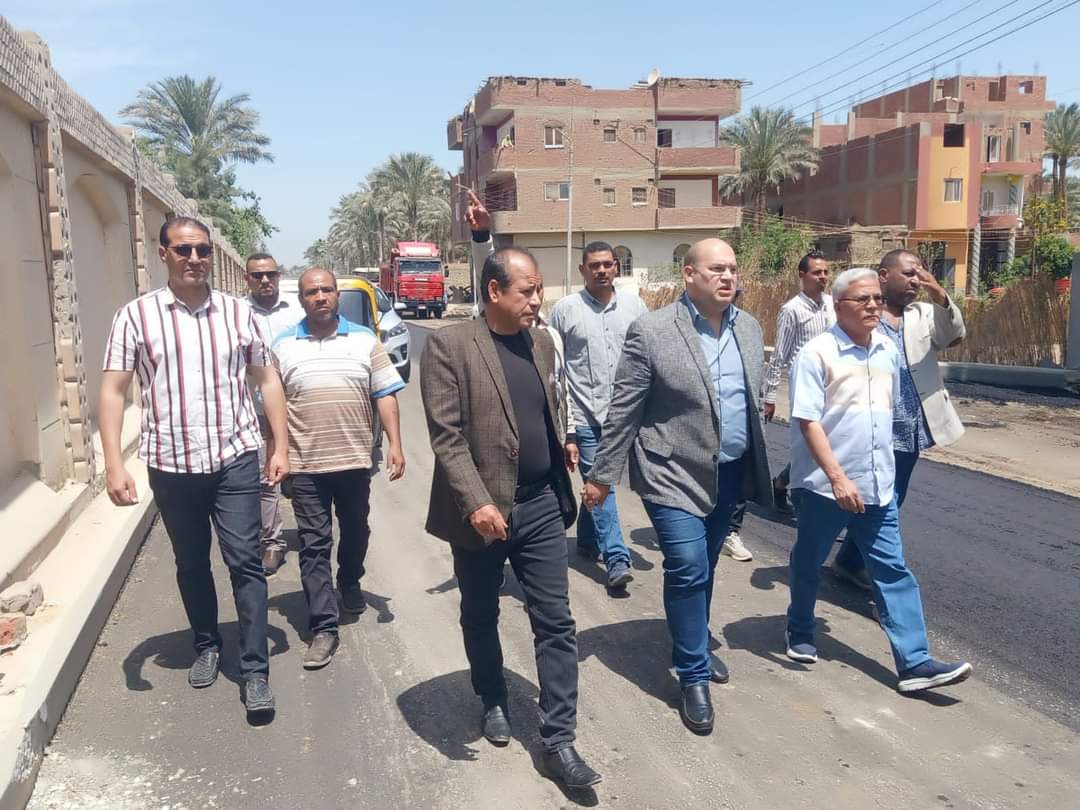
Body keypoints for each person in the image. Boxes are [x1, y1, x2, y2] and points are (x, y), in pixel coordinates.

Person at [420, 246, 600, 790]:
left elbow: (548, 405)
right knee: (480, 611)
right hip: (480, 511)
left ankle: (558, 740)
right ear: (495, 291)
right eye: (527, 290)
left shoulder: (540, 342)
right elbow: (447, 436)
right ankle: (492, 695)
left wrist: (565, 440)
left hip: (540, 503)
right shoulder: (450, 345)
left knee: (556, 620)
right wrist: (477, 501)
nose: (537, 299)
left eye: (539, 289)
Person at [583, 238, 773, 735]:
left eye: (732, 269)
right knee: (687, 565)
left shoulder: (749, 328)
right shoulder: (652, 331)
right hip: (670, 471)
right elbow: (625, 407)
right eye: (717, 269)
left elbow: (752, 398)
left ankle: (693, 641)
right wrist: (602, 475)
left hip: (728, 470)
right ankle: (692, 675)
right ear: (690, 275)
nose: (728, 277)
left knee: (705, 563)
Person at [99, 216, 287, 719]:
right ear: (163, 253)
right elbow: (113, 390)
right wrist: (114, 463)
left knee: (245, 561)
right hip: (171, 462)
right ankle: (206, 643)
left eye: (202, 249)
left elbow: (267, 379)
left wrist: (280, 446)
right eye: (183, 250)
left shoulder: (238, 313)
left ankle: (255, 672)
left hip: (234, 459)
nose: (195, 258)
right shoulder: (135, 317)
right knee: (190, 562)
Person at [785, 267, 972, 694]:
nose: (873, 305)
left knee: (892, 570)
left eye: (876, 298)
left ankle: (915, 662)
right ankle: (800, 627)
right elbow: (808, 421)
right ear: (839, 306)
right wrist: (837, 477)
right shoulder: (816, 354)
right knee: (809, 560)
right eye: (862, 299)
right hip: (823, 486)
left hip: (877, 484)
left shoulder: (887, 349)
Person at [272, 268, 406, 670]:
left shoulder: (364, 340)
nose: (320, 297)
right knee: (314, 544)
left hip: (353, 460)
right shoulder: (282, 347)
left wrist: (396, 444)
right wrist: (277, 453)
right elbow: (273, 408)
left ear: (336, 295)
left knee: (356, 530)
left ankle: (349, 580)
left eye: (327, 290)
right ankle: (324, 627)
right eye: (311, 292)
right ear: (301, 299)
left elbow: (385, 395)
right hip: (306, 464)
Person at [831, 250, 966, 589]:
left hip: (910, 428)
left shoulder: (922, 314)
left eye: (920, 274)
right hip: (869, 428)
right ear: (883, 276)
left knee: (892, 498)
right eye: (908, 274)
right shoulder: (865, 316)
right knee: (869, 500)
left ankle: (849, 561)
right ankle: (880, 577)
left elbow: (954, 335)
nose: (915, 281)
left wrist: (939, 294)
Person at [760, 250, 835, 514]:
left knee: (830, 443)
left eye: (825, 272)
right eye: (817, 272)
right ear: (802, 275)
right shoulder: (791, 310)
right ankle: (802, 498)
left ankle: (782, 482)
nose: (823, 277)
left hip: (833, 386)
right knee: (808, 445)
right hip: (805, 387)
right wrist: (770, 396)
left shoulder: (833, 305)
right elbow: (779, 355)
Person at [244, 252, 303, 575]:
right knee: (265, 475)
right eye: (257, 275)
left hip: (297, 406)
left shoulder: (297, 311)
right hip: (255, 409)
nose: (265, 280)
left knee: (306, 473)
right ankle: (272, 542)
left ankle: (312, 531)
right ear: (247, 279)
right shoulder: (236, 314)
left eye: (270, 274)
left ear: (279, 276)